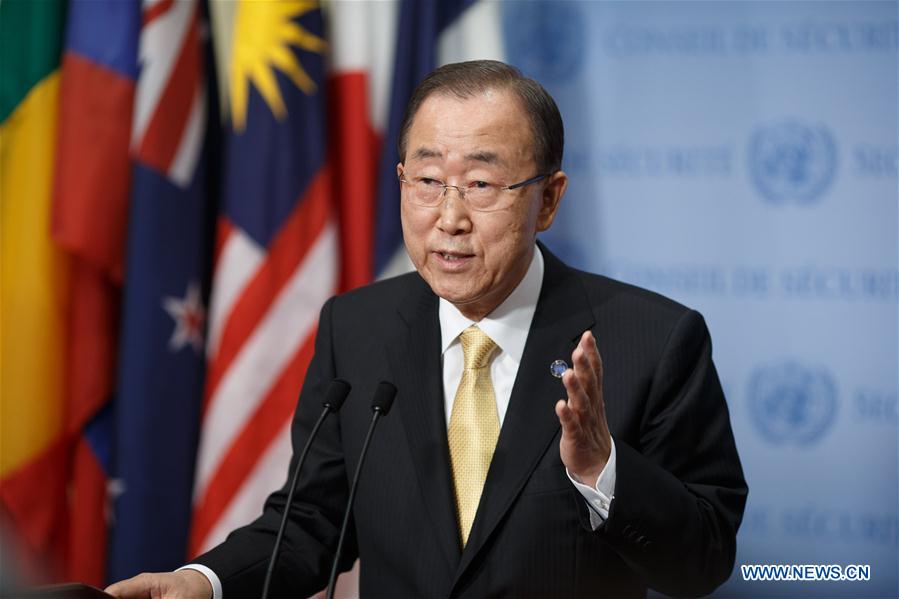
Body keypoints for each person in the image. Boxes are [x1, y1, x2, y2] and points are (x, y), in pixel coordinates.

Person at [108, 60, 747, 599]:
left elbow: (705, 560)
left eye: (480, 183)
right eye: (430, 181)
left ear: (548, 200)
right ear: (402, 182)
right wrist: (204, 581)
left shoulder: (654, 341)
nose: (449, 218)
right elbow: (312, 521)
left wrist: (603, 471)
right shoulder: (356, 328)